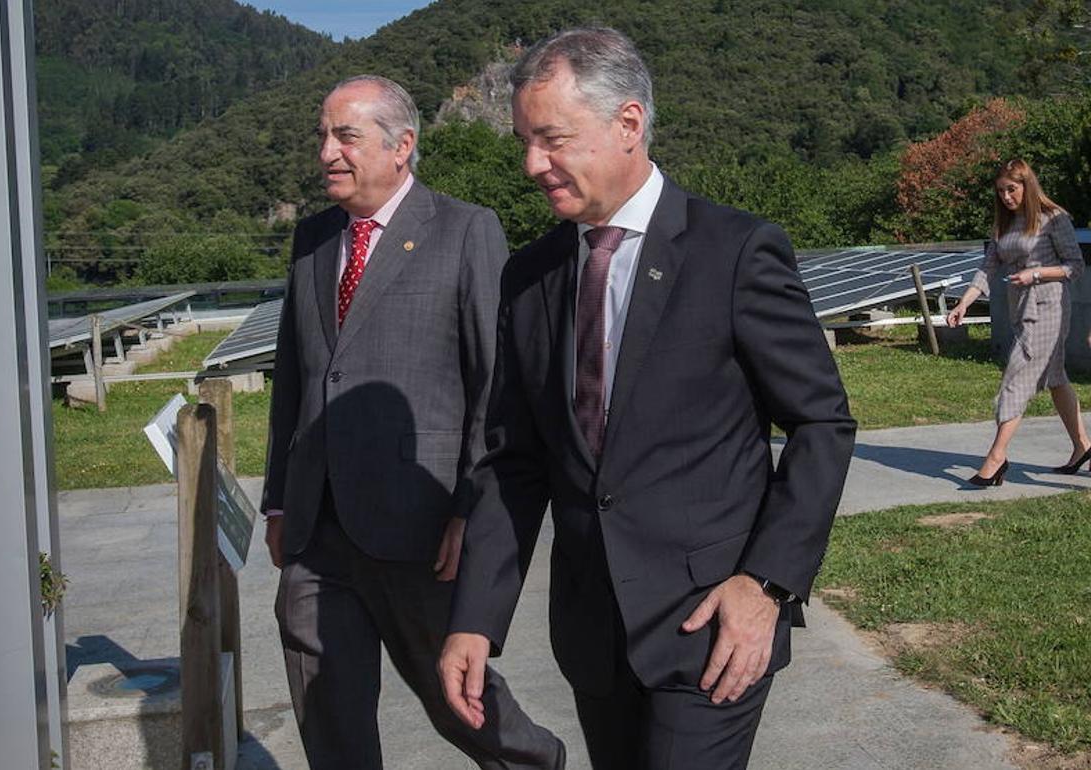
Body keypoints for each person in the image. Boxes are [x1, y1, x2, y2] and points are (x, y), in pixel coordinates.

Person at [437, 28, 856, 770]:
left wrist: (766, 585)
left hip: (712, 626)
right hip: (594, 633)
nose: (533, 164)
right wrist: (475, 619)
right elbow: (514, 461)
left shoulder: (734, 251)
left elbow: (821, 421)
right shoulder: (529, 277)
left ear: (628, 124)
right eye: (524, 142)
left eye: (553, 139)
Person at [261, 75, 564, 769]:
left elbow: (497, 384)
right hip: (317, 530)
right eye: (323, 135)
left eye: (346, 136)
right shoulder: (312, 241)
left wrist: (471, 507)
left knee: (455, 696)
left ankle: (533, 762)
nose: (327, 153)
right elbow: (297, 380)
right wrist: (279, 499)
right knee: (325, 706)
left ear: (402, 147)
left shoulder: (465, 230)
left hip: (422, 527)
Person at [946, 159, 1089, 484]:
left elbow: (1074, 266)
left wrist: (1035, 273)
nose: (1007, 197)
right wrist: (964, 303)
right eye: (1001, 191)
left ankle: (996, 458)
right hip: (1021, 310)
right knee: (1055, 377)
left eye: (1012, 189)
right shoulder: (1004, 225)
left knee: (1017, 376)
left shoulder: (1053, 219)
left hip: (1050, 307)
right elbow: (987, 269)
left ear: (1027, 185)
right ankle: (1083, 446)